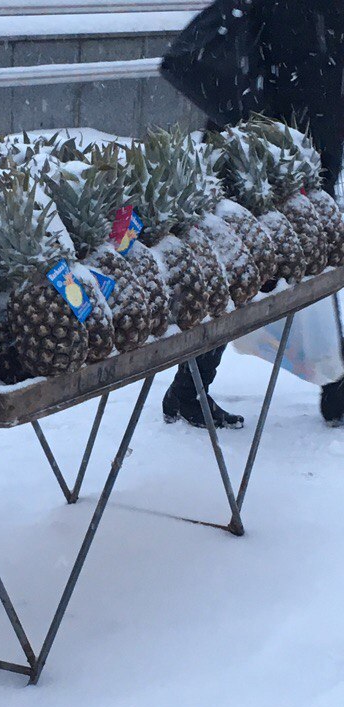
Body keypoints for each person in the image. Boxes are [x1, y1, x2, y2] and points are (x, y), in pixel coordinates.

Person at [160, 0, 344, 429]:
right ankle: (189, 389)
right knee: (242, 271)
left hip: (298, 139)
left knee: (302, 262)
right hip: (265, 148)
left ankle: (335, 384)